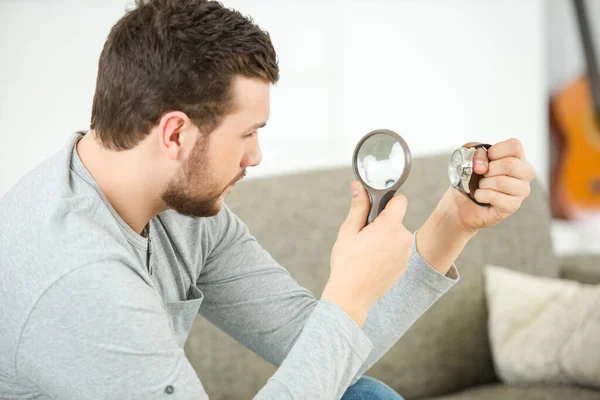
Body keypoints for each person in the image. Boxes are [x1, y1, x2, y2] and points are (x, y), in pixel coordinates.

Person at [0, 1, 536, 399]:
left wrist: (453, 224)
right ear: (174, 136)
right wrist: (346, 296)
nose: (256, 158)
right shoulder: (76, 274)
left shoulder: (185, 214)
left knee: (361, 395)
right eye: (248, 133)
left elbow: (327, 346)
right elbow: (338, 325)